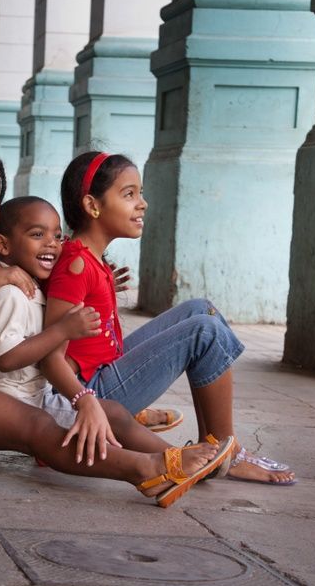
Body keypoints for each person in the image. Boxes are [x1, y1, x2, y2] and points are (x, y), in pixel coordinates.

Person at [0, 149, 233, 507]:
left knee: (64, 416)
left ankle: (164, 458)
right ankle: (147, 470)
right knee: (39, 427)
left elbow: (15, 305)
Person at [44, 151, 295, 485]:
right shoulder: (76, 264)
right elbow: (50, 355)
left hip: (101, 375)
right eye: (129, 194)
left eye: (140, 193)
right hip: (89, 393)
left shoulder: (90, 260)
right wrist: (84, 402)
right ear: (93, 206)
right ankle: (228, 453)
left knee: (200, 309)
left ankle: (215, 446)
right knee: (204, 332)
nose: (142, 203)